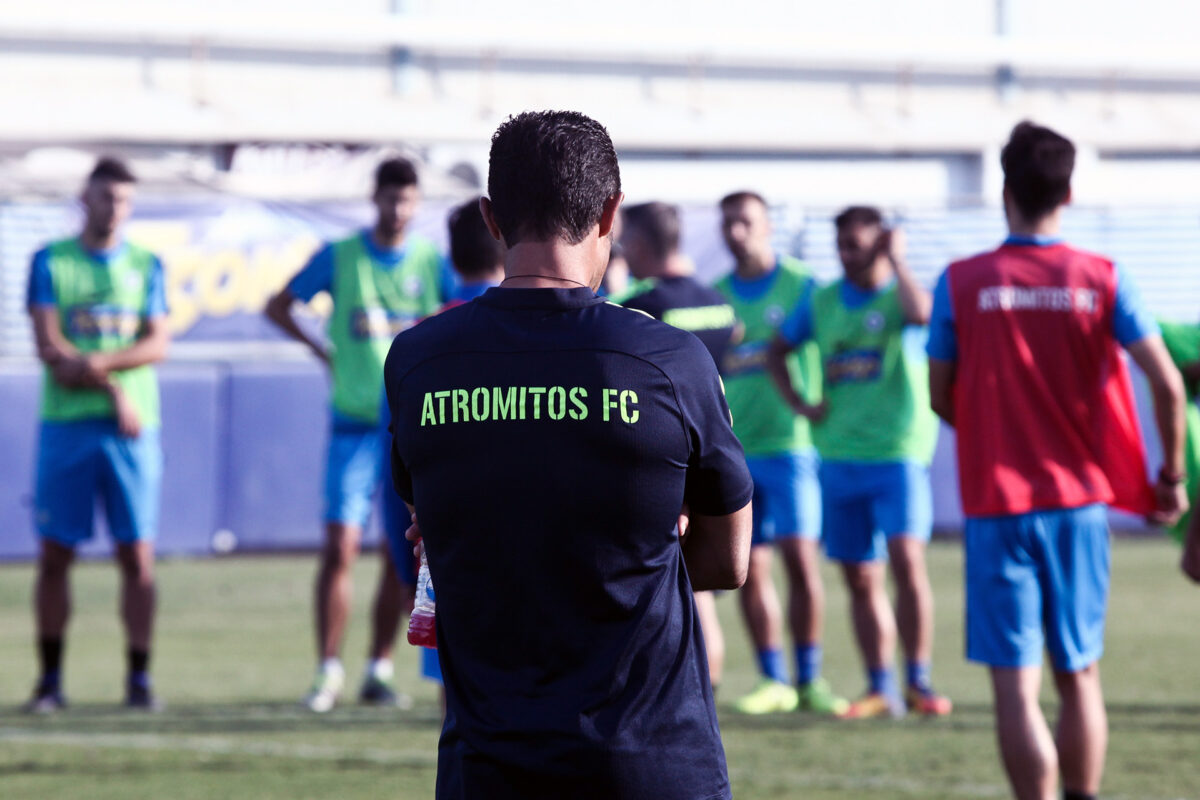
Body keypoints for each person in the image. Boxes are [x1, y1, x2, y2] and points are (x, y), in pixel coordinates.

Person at [384, 110, 753, 800]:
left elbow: (431, 532)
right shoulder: (668, 360)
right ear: (610, 210)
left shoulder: (418, 363)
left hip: (488, 767)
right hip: (651, 764)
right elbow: (727, 562)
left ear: (492, 218)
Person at [927, 121, 1188, 800]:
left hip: (996, 507)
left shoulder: (961, 281)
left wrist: (993, 432)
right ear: (1068, 191)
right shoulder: (1102, 276)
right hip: (1076, 505)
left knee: (1015, 685)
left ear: (1005, 189)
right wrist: (1172, 477)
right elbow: (1166, 382)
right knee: (1080, 674)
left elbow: (939, 396)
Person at [264, 157, 447, 712]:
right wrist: (324, 351)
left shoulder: (429, 262)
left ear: (417, 204)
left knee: (401, 554)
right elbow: (279, 304)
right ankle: (327, 669)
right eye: (390, 198)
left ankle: (378, 667)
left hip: (405, 429)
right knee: (339, 546)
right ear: (376, 199)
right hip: (352, 426)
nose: (398, 209)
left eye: (408, 199)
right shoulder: (341, 256)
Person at [765, 207, 951, 719]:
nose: (849, 253)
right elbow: (776, 351)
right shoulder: (821, 301)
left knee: (907, 563)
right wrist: (802, 404)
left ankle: (919, 682)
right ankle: (880, 687)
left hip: (897, 454)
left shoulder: (898, 295)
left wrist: (899, 262)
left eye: (859, 243)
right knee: (860, 577)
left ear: (881, 244)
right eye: (842, 244)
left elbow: (921, 315)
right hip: (838, 454)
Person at [25, 156, 170, 712]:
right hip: (67, 426)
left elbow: (157, 343)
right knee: (55, 554)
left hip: (132, 432)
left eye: (125, 200)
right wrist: (113, 385)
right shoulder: (51, 262)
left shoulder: (145, 264)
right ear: (85, 199)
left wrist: (99, 369)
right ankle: (50, 678)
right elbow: (48, 345)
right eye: (106, 197)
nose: (115, 209)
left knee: (137, 557)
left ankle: (138, 678)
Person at [714, 191, 847, 715]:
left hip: (791, 449)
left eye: (745, 221)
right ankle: (773, 679)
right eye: (728, 223)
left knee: (802, 564)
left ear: (767, 226)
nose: (736, 231)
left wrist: (808, 404)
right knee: (750, 566)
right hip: (737, 450)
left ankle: (810, 678)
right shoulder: (717, 296)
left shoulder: (803, 288)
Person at [381, 197, 505, 703]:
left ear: (450, 258)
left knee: (460, 713)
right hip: (532, 559)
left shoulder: (417, 344)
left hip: (446, 552)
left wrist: (407, 555)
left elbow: (393, 464)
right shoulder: (540, 329)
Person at [619, 201, 738, 692]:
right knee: (700, 592)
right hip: (716, 450)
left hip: (661, 458)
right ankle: (703, 692)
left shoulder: (641, 306)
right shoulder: (720, 301)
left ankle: (677, 692)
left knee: (660, 585)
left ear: (641, 246)